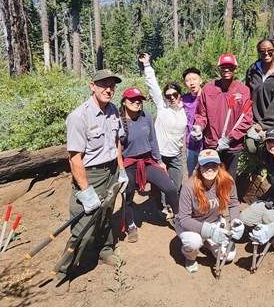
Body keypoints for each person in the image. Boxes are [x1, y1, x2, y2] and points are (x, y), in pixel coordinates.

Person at [54, 69, 128, 295]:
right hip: (90, 175)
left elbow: (116, 141)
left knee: (106, 214)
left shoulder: (114, 110)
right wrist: (85, 190)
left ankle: (105, 250)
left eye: (112, 85)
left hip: (111, 171)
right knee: (83, 227)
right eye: (103, 84)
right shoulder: (80, 116)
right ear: (92, 86)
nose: (108, 89)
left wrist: (121, 170)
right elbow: (74, 158)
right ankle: (63, 272)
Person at [118, 85, 180, 243]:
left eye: (139, 99)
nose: (137, 102)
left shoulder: (146, 116)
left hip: (147, 161)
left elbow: (153, 140)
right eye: (132, 99)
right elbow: (116, 148)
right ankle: (131, 225)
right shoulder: (118, 121)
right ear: (124, 101)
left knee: (170, 188)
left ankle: (180, 219)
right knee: (128, 195)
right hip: (129, 163)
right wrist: (120, 170)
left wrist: (159, 161)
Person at [175, 149, 244, 273]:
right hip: (190, 224)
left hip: (214, 221)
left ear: (219, 166)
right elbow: (184, 219)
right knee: (193, 242)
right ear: (199, 167)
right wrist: (210, 231)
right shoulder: (189, 187)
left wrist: (236, 222)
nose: (210, 169)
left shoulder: (227, 181)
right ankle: (190, 257)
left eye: (214, 165)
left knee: (228, 256)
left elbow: (233, 203)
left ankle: (206, 243)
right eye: (205, 165)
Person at [191, 54, 253, 181]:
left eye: (230, 67)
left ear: (235, 69)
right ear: (219, 69)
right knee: (210, 178)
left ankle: (228, 201)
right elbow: (201, 114)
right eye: (223, 67)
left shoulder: (243, 91)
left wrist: (230, 138)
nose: (226, 69)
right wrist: (198, 127)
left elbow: (246, 120)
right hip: (212, 143)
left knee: (229, 180)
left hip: (232, 146)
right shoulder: (209, 88)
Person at [139, 53, 186, 212]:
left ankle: (175, 206)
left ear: (179, 94)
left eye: (174, 94)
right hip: (160, 153)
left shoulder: (185, 111)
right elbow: (153, 86)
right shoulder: (162, 107)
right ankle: (164, 208)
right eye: (168, 96)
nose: (171, 98)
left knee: (177, 182)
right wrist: (147, 65)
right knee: (162, 184)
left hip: (176, 154)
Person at [244, 38, 274, 154]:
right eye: (262, 51)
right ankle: (258, 167)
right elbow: (247, 93)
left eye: (270, 50)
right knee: (251, 148)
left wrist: (264, 124)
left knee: (272, 151)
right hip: (252, 120)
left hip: (272, 122)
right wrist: (248, 120)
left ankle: (270, 168)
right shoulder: (252, 70)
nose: (266, 53)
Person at [180, 67, 204, 175]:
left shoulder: (208, 97)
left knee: (207, 175)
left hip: (207, 145)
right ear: (185, 84)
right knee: (192, 175)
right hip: (191, 145)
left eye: (194, 79)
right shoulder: (184, 99)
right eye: (188, 80)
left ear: (200, 80)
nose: (192, 83)